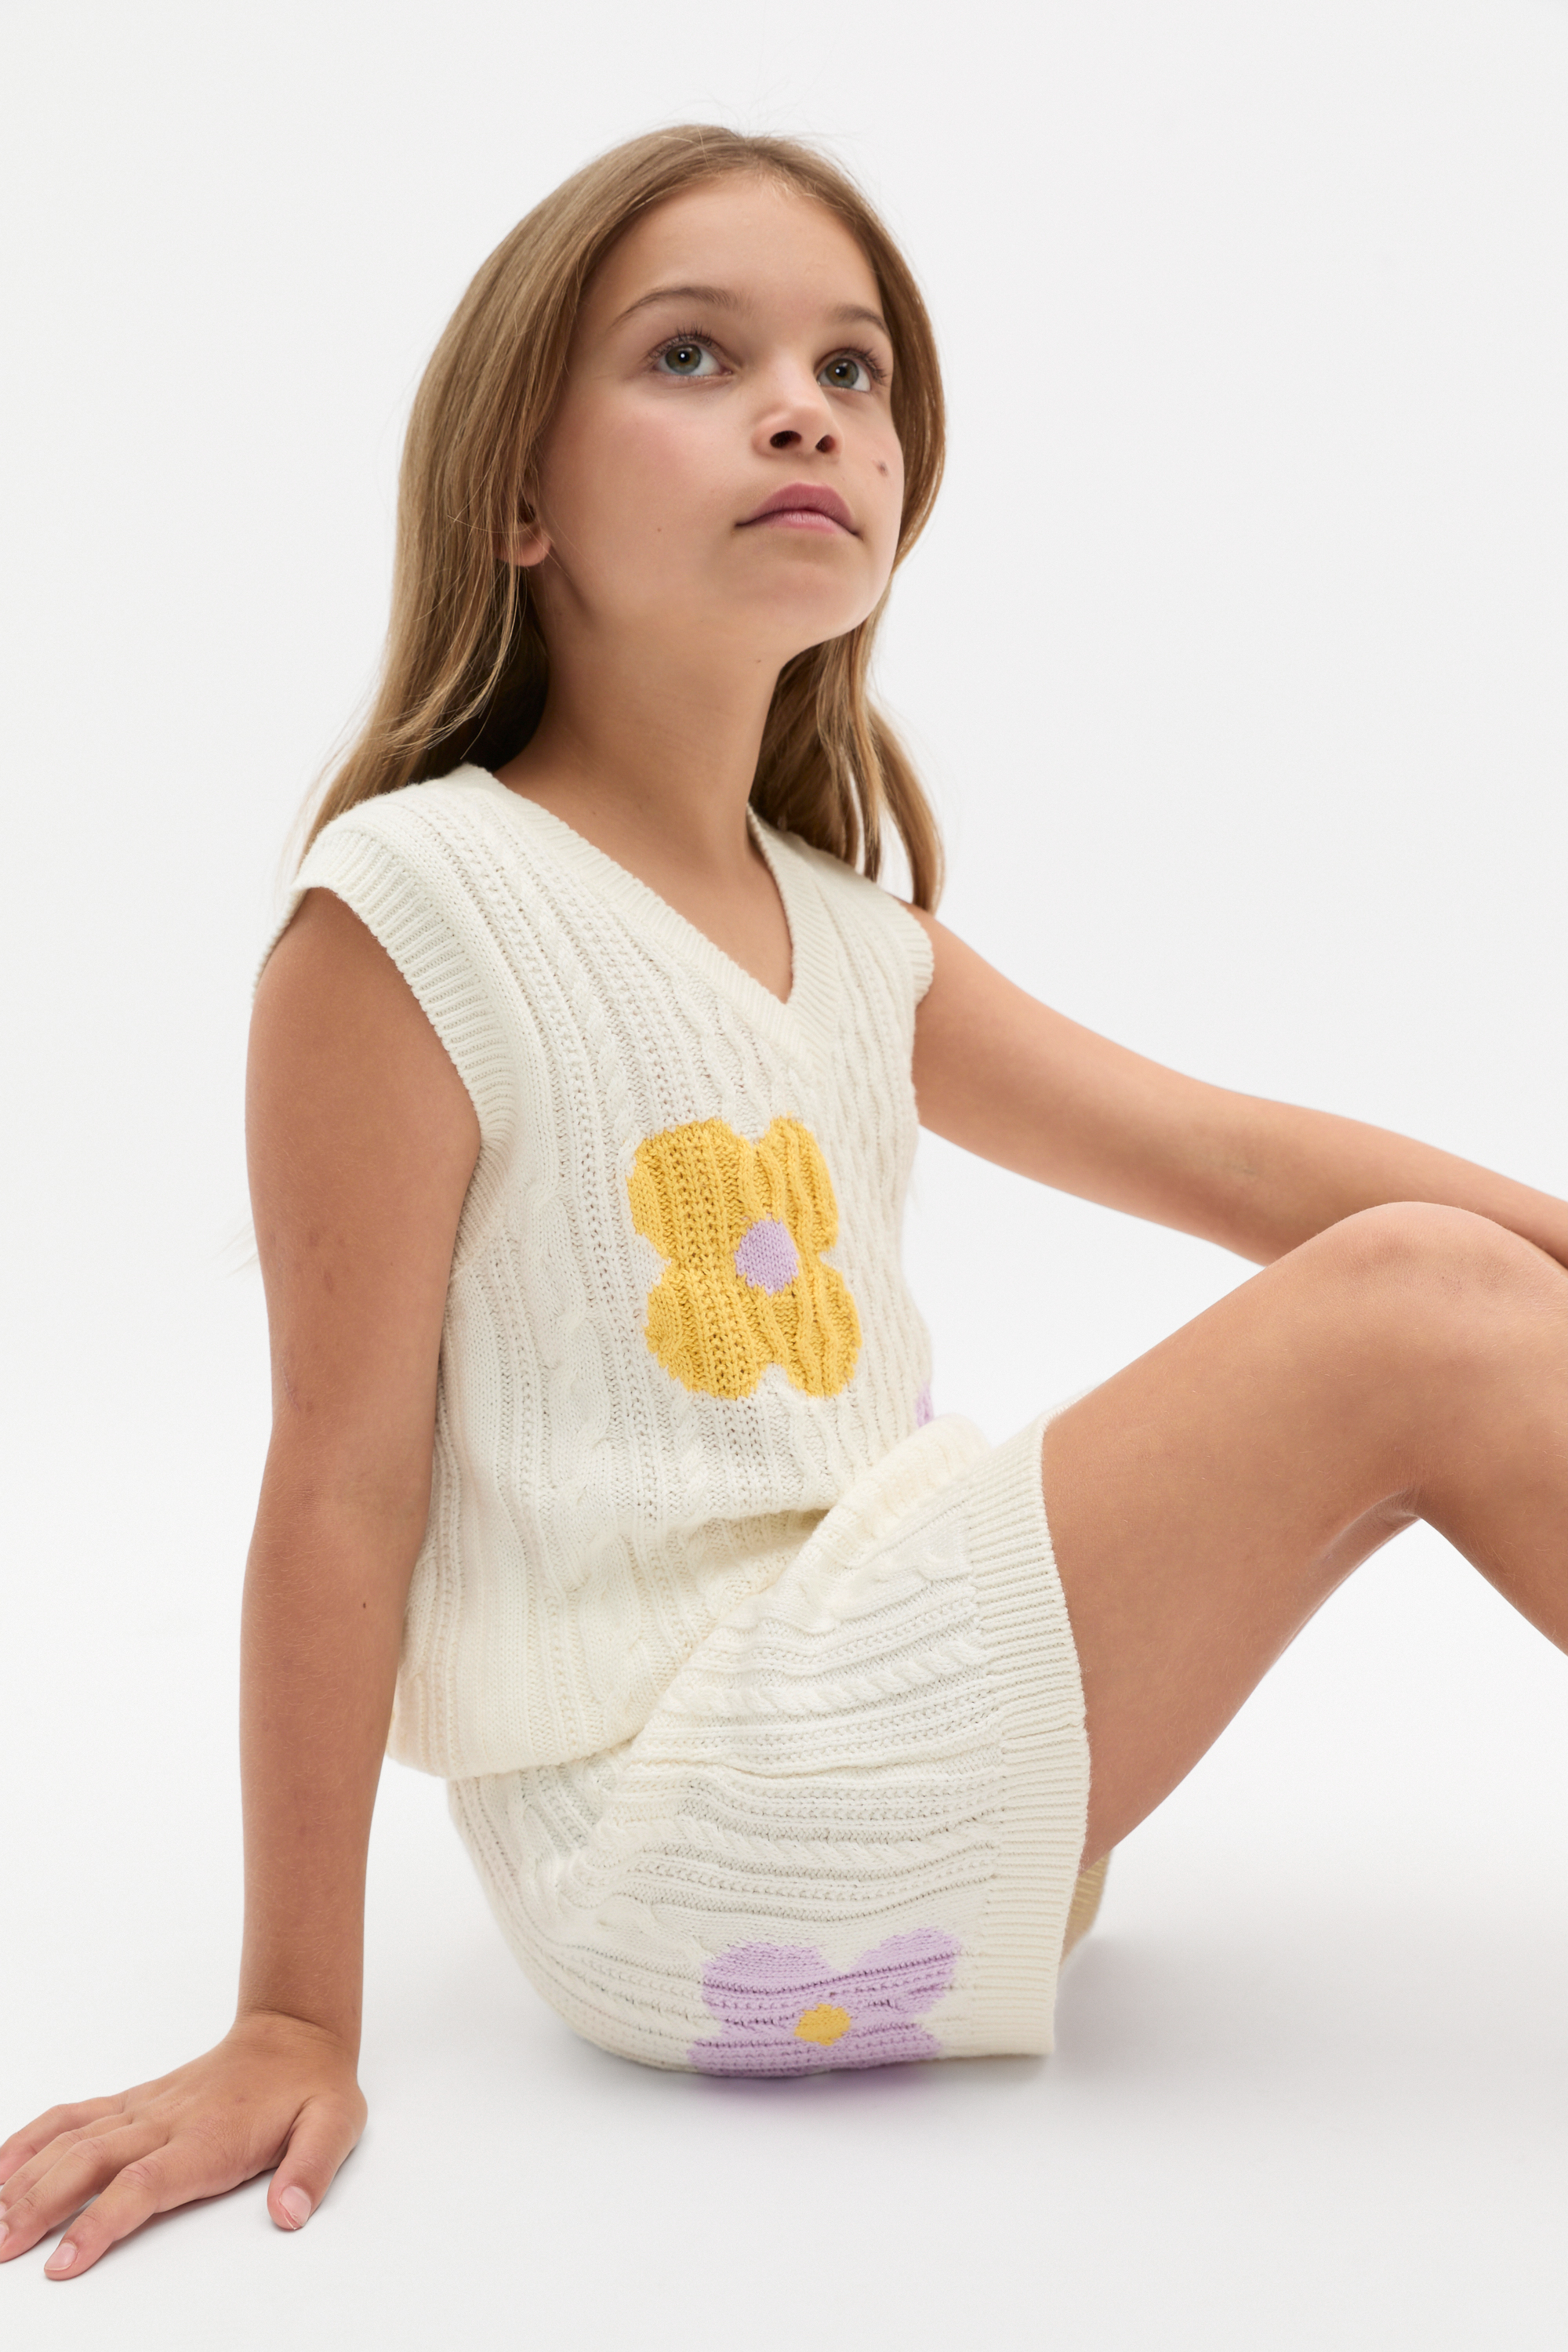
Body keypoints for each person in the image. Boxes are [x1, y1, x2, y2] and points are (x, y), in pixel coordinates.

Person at [3, 122, 1565, 2284]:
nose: (807, 407)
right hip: (691, 1827)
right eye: (693, 354)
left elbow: (1231, 1158)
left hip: (887, 1724)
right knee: (1416, 1309)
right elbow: (340, 1486)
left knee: (1451, 1292)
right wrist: (291, 2015)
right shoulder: (418, 904)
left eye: (855, 369)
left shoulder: (850, 938)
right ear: (520, 495)